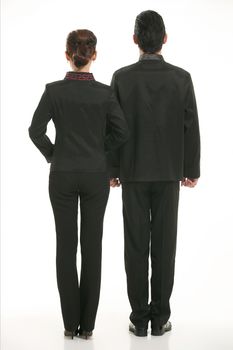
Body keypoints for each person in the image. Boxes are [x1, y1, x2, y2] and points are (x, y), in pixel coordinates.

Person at [29, 29, 128, 340]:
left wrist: (53, 154)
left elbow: (35, 130)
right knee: (92, 247)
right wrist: (100, 151)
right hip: (96, 174)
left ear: (67, 55)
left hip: (62, 174)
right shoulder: (105, 92)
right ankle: (88, 327)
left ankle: (70, 323)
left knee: (65, 247)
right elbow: (122, 132)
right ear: (93, 55)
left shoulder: (54, 91)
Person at [109, 10, 200, 337]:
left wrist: (112, 169)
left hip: (132, 172)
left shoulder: (121, 77)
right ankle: (160, 318)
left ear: (135, 39)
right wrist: (191, 169)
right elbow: (191, 126)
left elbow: (112, 127)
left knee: (135, 246)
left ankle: (139, 318)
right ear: (164, 38)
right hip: (167, 174)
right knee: (165, 244)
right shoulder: (181, 78)